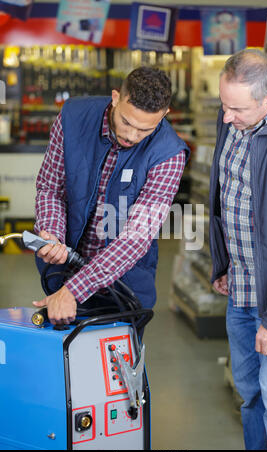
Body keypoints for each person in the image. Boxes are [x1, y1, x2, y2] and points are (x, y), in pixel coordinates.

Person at [33, 66, 189, 325]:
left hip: (123, 290)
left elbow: (136, 238)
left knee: (119, 365)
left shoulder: (170, 154)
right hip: (63, 278)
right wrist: (52, 233)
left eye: (145, 130)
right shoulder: (73, 117)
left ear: (164, 114)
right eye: (126, 122)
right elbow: (51, 188)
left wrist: (75, 289)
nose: (131, 135)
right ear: (115, 98)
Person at [209, 48, 267, 450]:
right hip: (241, 292)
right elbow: (226, 197)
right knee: (251, 399)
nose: (227, 118)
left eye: (236, 109)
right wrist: (223, 263)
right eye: (223, 105)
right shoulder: (232, 118)